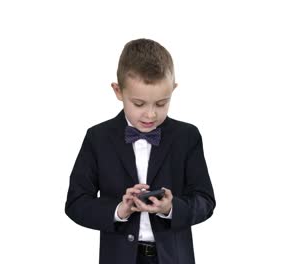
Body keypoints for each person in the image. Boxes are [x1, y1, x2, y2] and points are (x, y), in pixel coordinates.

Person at [65, 38, 215, 264]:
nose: (150, 115)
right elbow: (76, 203)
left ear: (173, 90)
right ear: (118, 91)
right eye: (139, 104)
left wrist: (170, 208)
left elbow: (205, 201)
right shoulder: (98, 138)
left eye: (161, 103)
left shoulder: (187, 137)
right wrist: (118, 210)